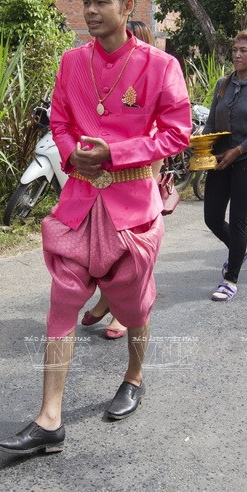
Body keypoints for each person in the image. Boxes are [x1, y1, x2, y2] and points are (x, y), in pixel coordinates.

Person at [0, 0, 191, 455]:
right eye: (86, 2)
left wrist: (115, 153)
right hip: (78, 204)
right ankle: (49, 417)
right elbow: (59, 120)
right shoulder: (71, 62)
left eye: (102, 2)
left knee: (133, 306)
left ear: (127, 6)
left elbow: (176, 133)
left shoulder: (160, 66)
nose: (91, 10)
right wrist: (70, 151)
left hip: (131, 210)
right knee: (62, 302)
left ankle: (135, 376)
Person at [81, 19, 158, 338]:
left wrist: (147, 196)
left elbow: (157, 150)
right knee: (101, 252)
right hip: (100, 188)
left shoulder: (150, 86)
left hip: (136, 190)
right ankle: (106, 300)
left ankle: (124, 314)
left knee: (131, 256)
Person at [201, 31, 247, 301]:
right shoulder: (223, 83)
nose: (236, 54)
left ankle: (230, 278)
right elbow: (211, 122)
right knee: (211, 217)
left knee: (238, 219)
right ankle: (239, 249)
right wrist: (202, 149)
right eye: (235, 49)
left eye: (243, 50)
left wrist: (240, 149)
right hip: (220, 160)